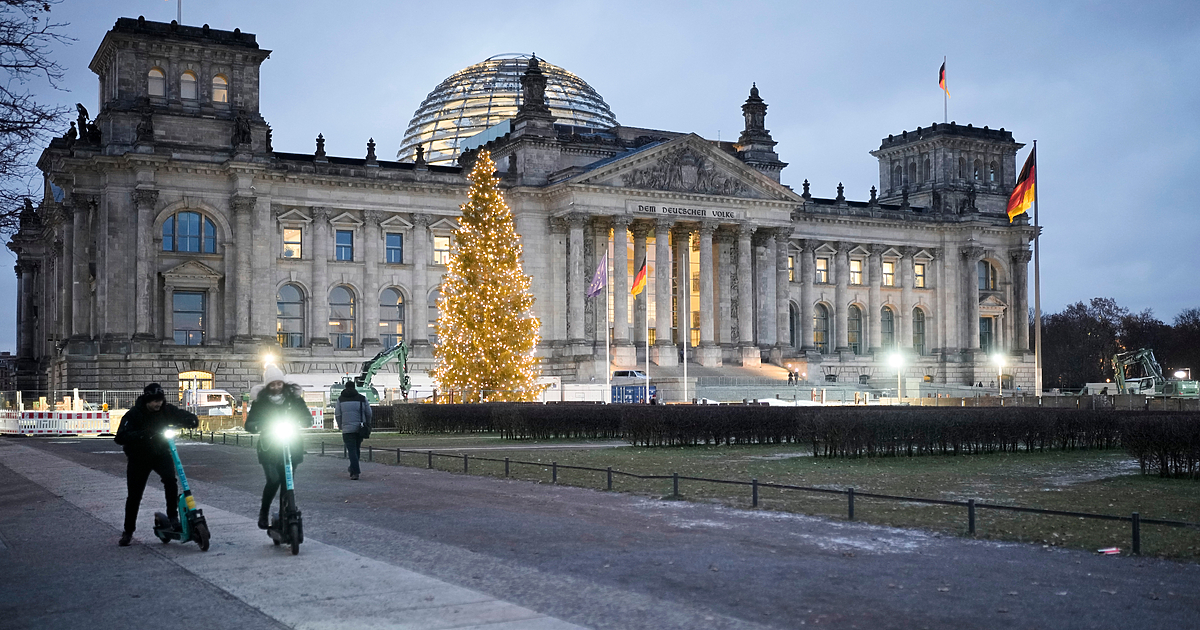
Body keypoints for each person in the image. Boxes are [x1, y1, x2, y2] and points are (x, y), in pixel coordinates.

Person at [113, 383, 199, 546]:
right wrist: (143, 435)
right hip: (139, 458)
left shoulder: (167, 410)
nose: (158, 404)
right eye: (154, 401)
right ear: (146, 400)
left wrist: (191, 420)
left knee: (170, 481)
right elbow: (120, 437)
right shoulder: (134, 414)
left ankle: (173, 517)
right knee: (135, 495)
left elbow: (181, 415)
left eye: (160, 400)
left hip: (161, 454)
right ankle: (128, 531)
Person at [244, 365, 312, 529]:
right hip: (269, 445)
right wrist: (256, 425)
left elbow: (305, 415)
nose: (276, 388)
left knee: (287, 482)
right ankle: (264, 511)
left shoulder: (293, 398)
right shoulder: (261, 401)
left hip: (291, 444)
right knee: (274, 480)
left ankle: (285, 515)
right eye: (272, 385)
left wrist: (304, 420)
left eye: (278, 384)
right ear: (267, 386)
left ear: (283, 383)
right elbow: (249, 422)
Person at [334, 381, 372, 480]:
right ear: (354, 387)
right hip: (360, 428)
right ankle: (353, 469)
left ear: (345, 387)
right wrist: (367, 423)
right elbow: (369, 413)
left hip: (347, 429)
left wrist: (340, 425)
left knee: (351, 450)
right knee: (356, 449)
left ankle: (355, 471)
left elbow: (337, 414)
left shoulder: (340, 399)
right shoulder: (362, 398)